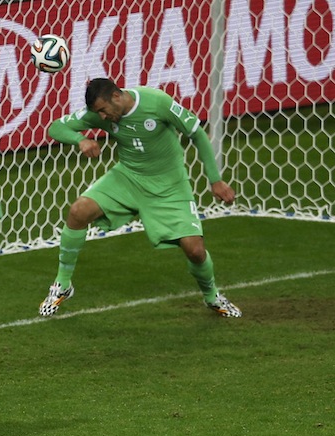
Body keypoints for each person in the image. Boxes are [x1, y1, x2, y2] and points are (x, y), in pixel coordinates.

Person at [40, 78, 242, 318]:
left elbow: (197, 134)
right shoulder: (101, 113)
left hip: (169, 186)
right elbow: (55, 127)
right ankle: (63, 284)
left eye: (103, 111)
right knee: (78, 211)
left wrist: (215, 179)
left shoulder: (157, 103)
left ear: (117, 96)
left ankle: (212, 296)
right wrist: (80, 140)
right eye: (97, 113)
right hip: (128, 178)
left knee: (195, 250)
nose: (101, 118)